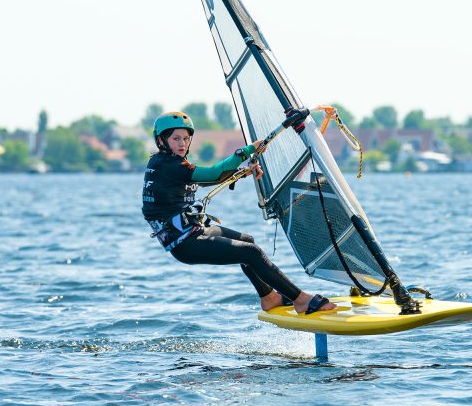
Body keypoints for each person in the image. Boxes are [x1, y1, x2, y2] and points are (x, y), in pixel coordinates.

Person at [142, 110, 336, 315]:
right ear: (161, 140)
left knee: (248, 241)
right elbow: (213, 173)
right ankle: (301, 300)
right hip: (185, 243)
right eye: (176, 139)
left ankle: (269, 297)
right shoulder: (168, 165)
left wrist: (243, 171)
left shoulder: (168, 164)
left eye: (186, 138)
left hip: (193, 232)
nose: (182, 143)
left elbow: (210, 179)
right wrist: (245, 152)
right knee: (251, 253)